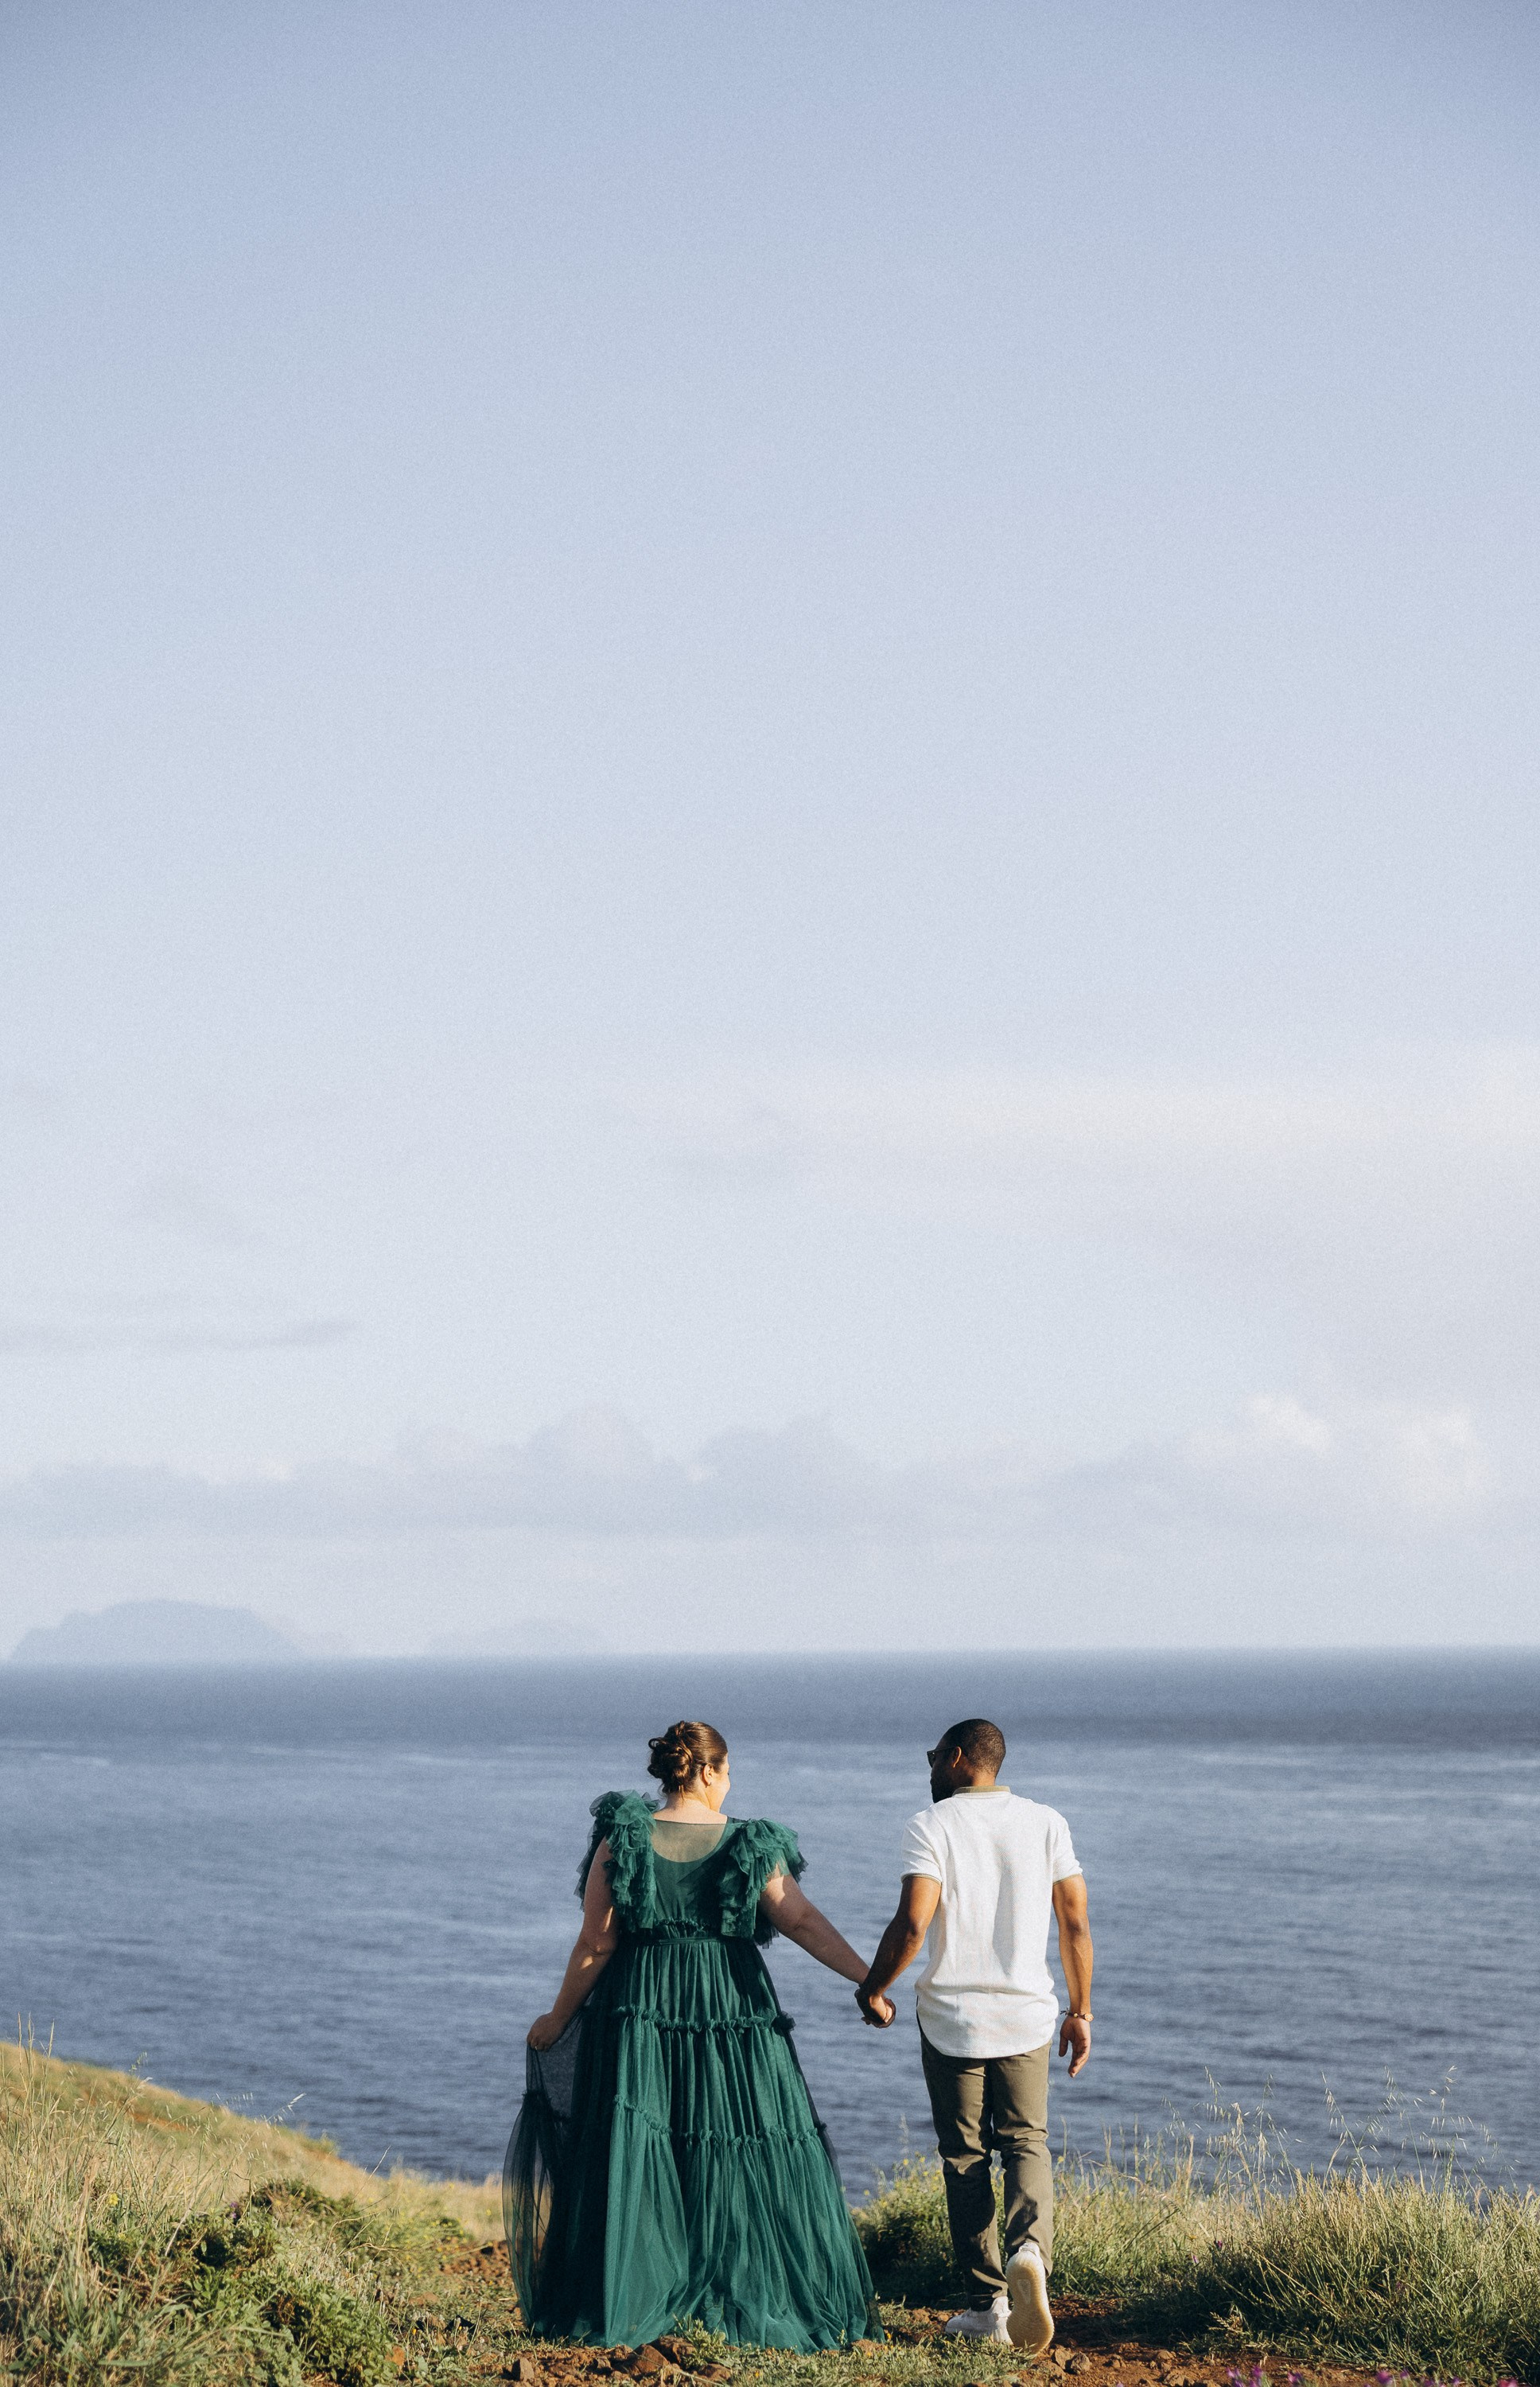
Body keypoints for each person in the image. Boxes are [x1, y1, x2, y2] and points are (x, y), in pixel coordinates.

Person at [505, 1719, 880, 2350]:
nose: (729, 1783)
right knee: (738, 2141)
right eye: (727, 1771)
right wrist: (869, 1979)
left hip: (641, 2007)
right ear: (707, 1771)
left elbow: (598, 1942)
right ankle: (741, 2285)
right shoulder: (749, 1844)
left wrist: (559, 2016)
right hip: (729, 2010)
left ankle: (639, 2288)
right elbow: (802, 1921)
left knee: (643, 2142)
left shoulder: (623, 1838)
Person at [856, 1717, 1091, 2357]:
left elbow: (912, 1924)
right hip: (1027, 2018)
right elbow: (1074, 1923)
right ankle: (1031, 2255)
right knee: (1026, 2142)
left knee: (965, 2159)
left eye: (933, 1756)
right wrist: (1081, 2011)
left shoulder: (931, 1826)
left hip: (953, 2021)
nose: (929, 1767)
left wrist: (873, 1988)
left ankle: (987, 2305)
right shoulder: (1047, 1822)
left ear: (958, 1759)